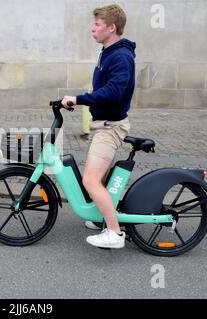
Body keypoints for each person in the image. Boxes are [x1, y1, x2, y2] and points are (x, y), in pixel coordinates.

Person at [62, 4, 136, 249]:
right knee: (100, 178)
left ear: (111, 28)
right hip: (102, 124)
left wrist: (80, 98)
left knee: (91, 180)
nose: (92, 29)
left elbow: (114, 92)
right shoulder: (109, 52)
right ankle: (101, 217)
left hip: (110, 126)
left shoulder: (120, 56)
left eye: (97, 24)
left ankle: (114, 234)